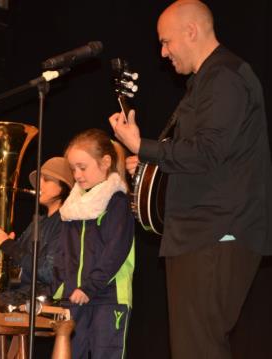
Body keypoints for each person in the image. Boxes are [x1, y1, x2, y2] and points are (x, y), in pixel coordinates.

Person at [108, 1, 272, 358]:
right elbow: (199, 155)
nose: (163, 53)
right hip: (199, 233)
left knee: (199, 348)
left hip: (215, 232)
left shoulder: (226, 77)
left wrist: (143, 146)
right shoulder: (206, 82)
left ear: (192, 31)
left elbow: (208, 153)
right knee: (192, 348)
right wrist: (147, 161)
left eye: (166, 42)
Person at [52, 129, 134, 359]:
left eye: (82, 167)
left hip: (108, 298)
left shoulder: (116, 202)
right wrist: (60, 288)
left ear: (105, 162)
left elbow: (116, 250)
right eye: (73, 169)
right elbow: (64, 253)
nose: (77, 175)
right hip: (74, 298)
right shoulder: (72, 209)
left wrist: (90, 287)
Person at [0, 156, 74, 302]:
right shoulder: (37, 222)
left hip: (39, 301)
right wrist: (7, 254)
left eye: (46, 180)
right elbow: (18, 276)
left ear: (64, 186)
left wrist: (11, 247)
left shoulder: (66, 222)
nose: (39, 185)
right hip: (20, 296)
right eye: (39, 180)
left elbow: (49, 273)